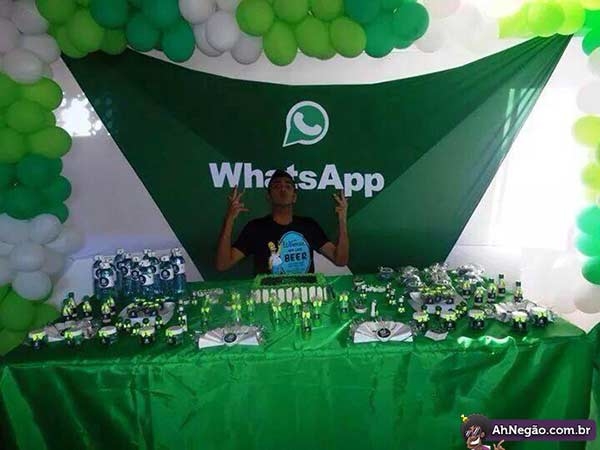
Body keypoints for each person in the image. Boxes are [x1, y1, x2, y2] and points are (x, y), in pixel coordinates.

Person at [215, 169, 349, 274]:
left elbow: (340, 260)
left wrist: (342, 219)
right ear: (268, 196)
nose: (283, 189)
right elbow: (223, 264)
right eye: (277, 186)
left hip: (304, 296)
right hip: (267, 296)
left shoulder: (309, 226)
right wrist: (230, 219)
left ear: (294, 197)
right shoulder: (255, 228)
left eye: (288, 186)